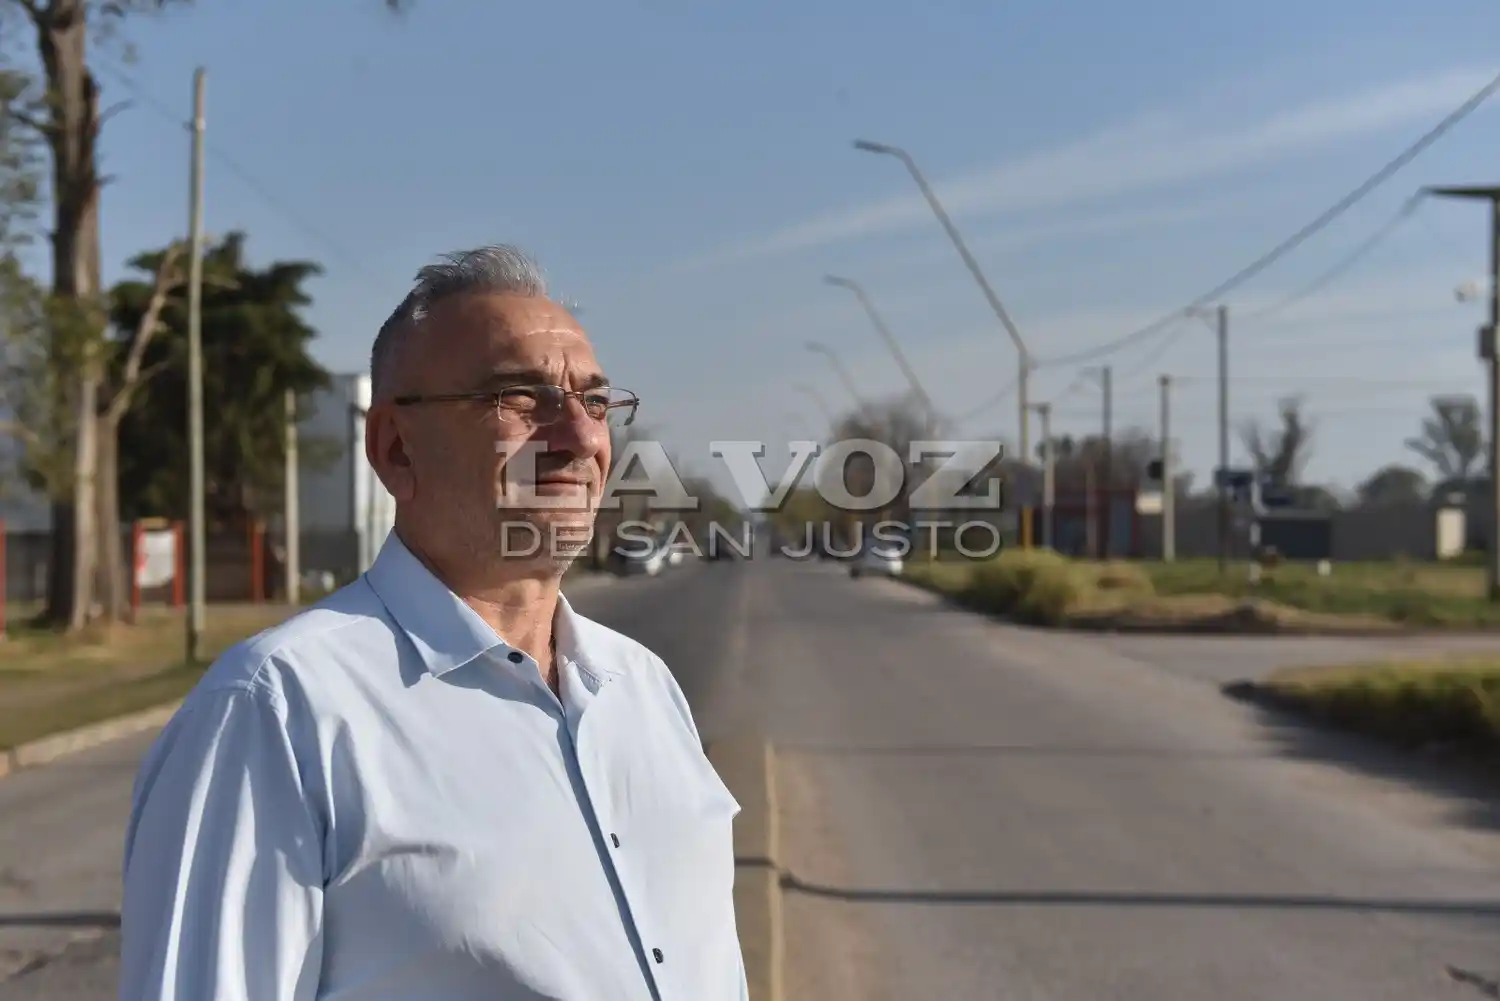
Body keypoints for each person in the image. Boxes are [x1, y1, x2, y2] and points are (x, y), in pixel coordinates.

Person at [118, 245, 748, 1000]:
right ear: (394, 448)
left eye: (595, 401)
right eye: (522, 398)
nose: (581, 438)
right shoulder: (279, 712)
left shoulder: (644, 689)